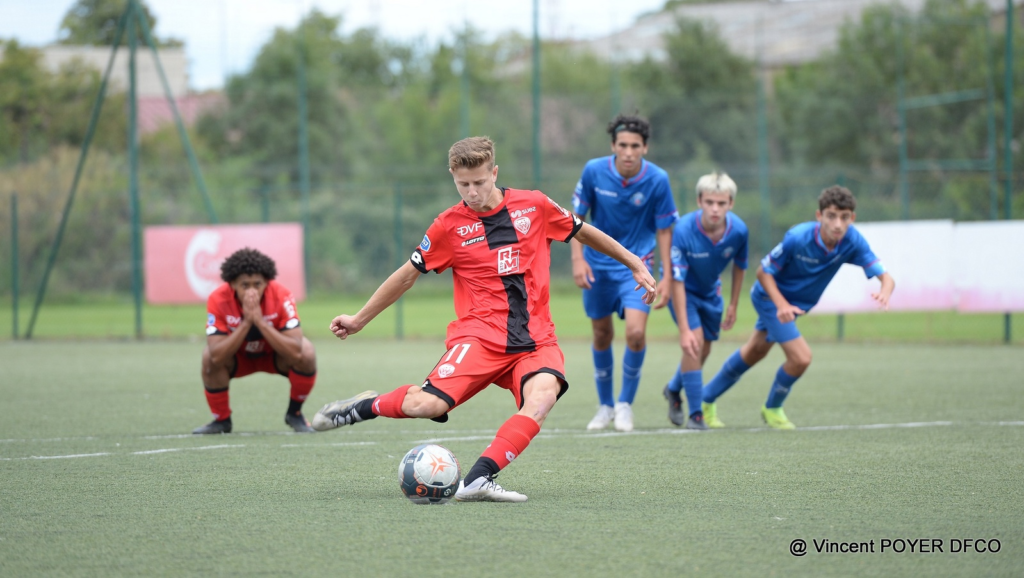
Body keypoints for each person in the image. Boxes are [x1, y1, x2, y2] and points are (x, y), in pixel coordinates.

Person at [312, 136, 656, 502]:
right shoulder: (448, 226)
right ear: (452, 177)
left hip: (536, 340)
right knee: (427, 406)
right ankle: (363, 406)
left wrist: (635, 263)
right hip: (479, 338)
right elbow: (407, 275)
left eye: (480, 182)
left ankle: (478, 479)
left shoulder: (534, 205)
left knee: (542, 398)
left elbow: (583, 232)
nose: (472, 192)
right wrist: (359, 319)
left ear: (494, 172)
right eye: (463, 185)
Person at [702, 186, 895, 429]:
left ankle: (705, 399)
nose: (837, 224)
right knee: (801, 358)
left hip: (793, 307)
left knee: (754, 352)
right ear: (819, 216)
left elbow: (887, 278)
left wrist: (885, 291)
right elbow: (763, 272)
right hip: (769, 300)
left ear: (852, 218)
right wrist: (781, 305)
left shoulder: (852, 241)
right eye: (831, 216)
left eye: (844, 217)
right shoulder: (798, 237)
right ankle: (772, 408)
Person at [571, 114, 678, 432]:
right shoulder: (593, 171)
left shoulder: (658, 179)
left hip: (637, 267)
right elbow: (573, 219)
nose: (628, 151)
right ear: (613, 146)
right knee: (602, 334)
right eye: (622, 145)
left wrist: (667, 276)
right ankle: (604, 406)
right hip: (598, 267)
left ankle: (624, 404)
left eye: (635, 145)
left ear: (645, 148)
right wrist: (578, 259)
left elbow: (664, 232)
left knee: (635, 333)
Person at [193, 248, 318, 434]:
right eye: (245, 285)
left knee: (307, 352)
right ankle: (222, 421)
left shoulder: (281, 295)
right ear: (233, 284)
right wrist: (247, 322)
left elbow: (296, 352)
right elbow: (217, 357)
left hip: (273, 356)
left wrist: (260, 322)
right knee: (207, 358)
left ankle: (295, 414)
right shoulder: (218, 299)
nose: (252, 290)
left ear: (267, 282)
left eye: (257, 284)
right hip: (239, 358)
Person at [663, 172, 748, 430]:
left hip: (712, 293)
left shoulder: (739, 231)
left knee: (705, 349)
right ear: (699, 200)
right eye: (709, 202)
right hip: (683, 291)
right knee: (694, 343)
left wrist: (733, 304)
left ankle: (673, 389)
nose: (715, 208)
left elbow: (740, 267)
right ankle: (696, 414)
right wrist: (685, 330)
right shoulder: (684, 230)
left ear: (731, 204)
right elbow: (676, 280)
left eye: (721, 203)